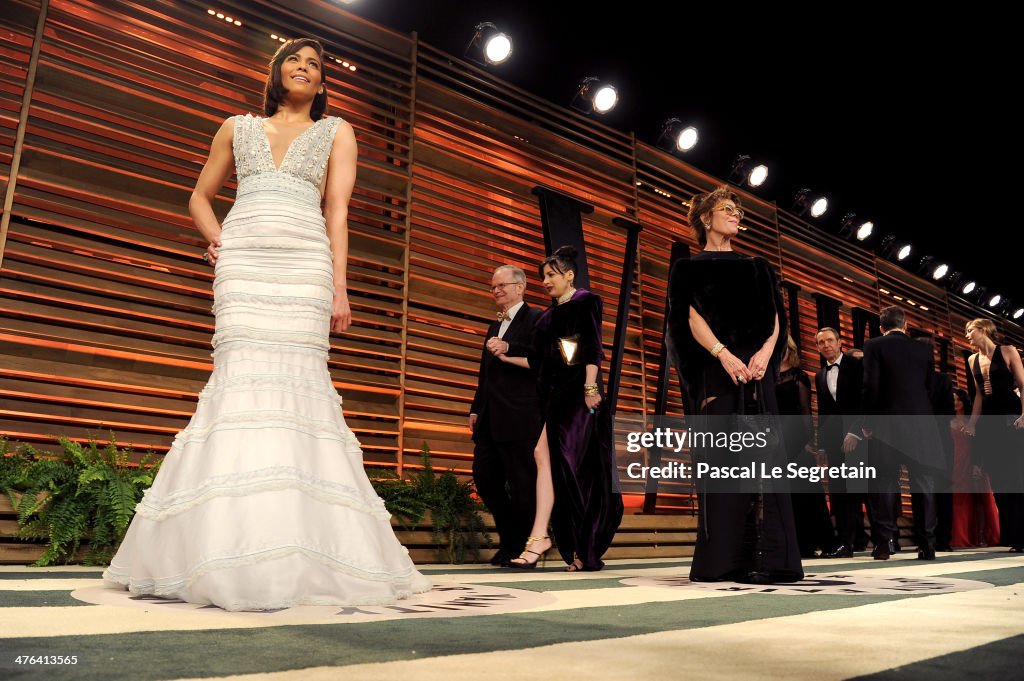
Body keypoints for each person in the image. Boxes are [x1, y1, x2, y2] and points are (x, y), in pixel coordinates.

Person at [103, 39, 431, 610]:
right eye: (293, 61)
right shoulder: (236, 126)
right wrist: (217, 241)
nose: (304, 70)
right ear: (276, 73)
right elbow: (200, 197)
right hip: (245, 261)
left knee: (300, 390)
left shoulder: (339, 132)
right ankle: (217, 545)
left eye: (315, 66)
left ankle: (301, 549)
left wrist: (340, 286)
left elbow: (339, 212)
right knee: (238, 388)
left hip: (305, 263)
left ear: (323, 83)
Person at [666, 185, 803, 584]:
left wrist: (764, 353)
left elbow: (777, 316)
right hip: (718, 370)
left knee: (767, 467)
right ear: (705, 218)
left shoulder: (758, 265)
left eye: (739, 211)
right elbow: (687, 318)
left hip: (759, 373)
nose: (736, 216)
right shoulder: (687, 267)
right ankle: (724, 562)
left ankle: (772, 559)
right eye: (728, 209)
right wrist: (723, 353)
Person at [509, 246, 623, 571]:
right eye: (543, 276)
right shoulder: (547, 316)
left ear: (569, 274)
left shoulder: (585, 301)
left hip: (578, 396)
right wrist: (505, 353)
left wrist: (590, 388)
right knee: (548, 460)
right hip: (555, 399)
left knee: (574, 470)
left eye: (551, 275)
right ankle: (557, 542)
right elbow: (538, 360)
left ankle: (570, 545)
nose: (545, 281)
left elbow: (592, 348)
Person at [469, 265, 543, 567]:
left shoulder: (537, 318)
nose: (496, 290)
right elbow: (485, 373)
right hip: (489, 416)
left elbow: (547, 357)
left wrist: (510, 346)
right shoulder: (493, 325)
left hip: (521, 416)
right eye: (493, 286)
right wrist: (475, 407)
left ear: (520, 287)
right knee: (484, 478)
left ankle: (522, 548)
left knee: (524, 485)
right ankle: (512, 537)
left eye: (502, 285)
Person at [861, 306, 944, 560]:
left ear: (881, 327)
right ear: (905, 325)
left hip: (887, 422)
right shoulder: (924, 348)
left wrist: (867, 420)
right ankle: (928, 545)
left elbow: (871, 385)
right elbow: (931, 387)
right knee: (923, 484)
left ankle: (885, 543)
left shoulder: (873, 345)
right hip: (922, 423)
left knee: (885, 483)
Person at [964, 318, 1024, 552]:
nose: (967, 334)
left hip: (1011, 416)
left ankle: (1022, 535)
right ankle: (1011, 535)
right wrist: (972, 423)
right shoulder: (971, 360)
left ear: (983, 330)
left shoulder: (1008, 351)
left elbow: (1022, 383)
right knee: (998, 478)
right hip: (989, 420)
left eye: (970, 330)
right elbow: (979, 394)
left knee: (1016, 476)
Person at [776, 335, 835, 558]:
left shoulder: (799, 376)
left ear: (789, 349)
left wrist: (809, 443)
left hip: (797, 440)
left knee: (808, 492)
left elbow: (805, 413)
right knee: (787, 493)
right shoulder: (767, 374)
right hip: (776, 440)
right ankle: (797, 544)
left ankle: (820, 542)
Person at [814, 327, 869, 558]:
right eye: (820, 342)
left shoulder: (857, 365)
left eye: (829, 340)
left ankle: (872, 539)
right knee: (839, 490)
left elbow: (866, 400)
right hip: (834, 440)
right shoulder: (819, 375)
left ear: (839, 342)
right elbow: (824, 414)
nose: (825, 345)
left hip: (859, 437)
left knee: (860, 489)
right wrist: (823, 446)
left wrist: (856, 432)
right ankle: (847, 542)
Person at [950, 388, 1000, 547]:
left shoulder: (972, 420)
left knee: (980, 499)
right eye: (953, 400)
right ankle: (961, 535)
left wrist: (978, 465)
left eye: (958, 399)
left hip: (972, 463)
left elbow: (980, 444)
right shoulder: (947, 421)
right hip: (955, 464)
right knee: (959, 499)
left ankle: (981, 535)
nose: (955, 403)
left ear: (964, 401)